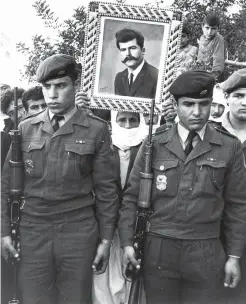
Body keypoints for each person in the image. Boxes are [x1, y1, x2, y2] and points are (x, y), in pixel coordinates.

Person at [118, 70, 246, 304]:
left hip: (206, 250)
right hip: (159, 247)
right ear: (175, 105)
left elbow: (238, 206)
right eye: (188, 104)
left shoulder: (229, 146)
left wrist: (234, 255)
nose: (197, 112)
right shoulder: (154, 143)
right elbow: (131, 197)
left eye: (203, 104)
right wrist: (127, 243)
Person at [1, 54, 119, 304]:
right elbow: (5, 186)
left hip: (78, 232)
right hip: (34, 231)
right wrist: (4, 233)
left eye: (61, 86)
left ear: (75, 87)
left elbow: (107, 191)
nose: (52, 95)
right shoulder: (25, 129)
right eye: (47, 87)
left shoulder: (97, 129)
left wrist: (106, 241)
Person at [93, 111, 145, 304]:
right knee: (103, 283)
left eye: (133, 120)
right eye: (122, 120)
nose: (128, 125)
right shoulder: (103, 147)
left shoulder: (147, 148)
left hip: (132, 226)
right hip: (106, 225)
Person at [220, 68, 246, 304]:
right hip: (214, 226)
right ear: (226, 97)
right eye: (238, 95)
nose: (244, 102)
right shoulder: (210, 131)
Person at [114, 28, 158, 99]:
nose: (127, 54)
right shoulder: (119, 77)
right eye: (123, 50)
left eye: (132, 48)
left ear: (143, 50)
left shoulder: (156, 76)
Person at [197, 14, 226, 82]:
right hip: (200, 74)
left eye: (213, 28)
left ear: (218, 28)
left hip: (213, 76)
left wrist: (213, 77)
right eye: (207, 28)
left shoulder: (219, 39)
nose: (209, 32)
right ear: (202, 27)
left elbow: (218, 60)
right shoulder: (202, 38)